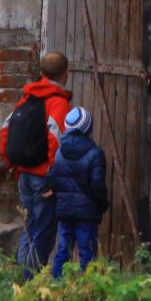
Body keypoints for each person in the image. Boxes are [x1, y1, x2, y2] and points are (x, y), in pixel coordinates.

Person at [0, 49, 73, 279]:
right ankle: (30, 283)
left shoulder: (26, 98)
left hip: (24, 175)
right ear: (66, 74)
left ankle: (21, 281)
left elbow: (5, 131)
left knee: (29, 229)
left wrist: (11, 162)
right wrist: (53, 173)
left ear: (41, 72)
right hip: (44, 177)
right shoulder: (58, 103)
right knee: (43, 232)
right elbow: (56, 140)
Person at [48, 106, 108, 277]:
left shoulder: (60, 152)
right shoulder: (95, 154)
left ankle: (56, 287)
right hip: (86, 212)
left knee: (63, 250)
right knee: (87, 254)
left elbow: (55, 179)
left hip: (65, 209)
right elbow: (98, 186)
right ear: (88, 128)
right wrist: (103, 204)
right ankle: (88, 291)